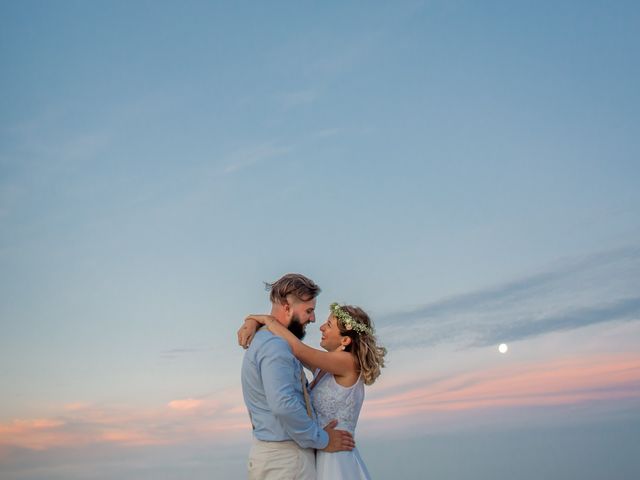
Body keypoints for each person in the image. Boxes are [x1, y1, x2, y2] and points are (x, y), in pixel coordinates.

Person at [240, 298, 386, 480]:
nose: (321, 327)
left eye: (329, 325)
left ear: (346, 340)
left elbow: (297, 349)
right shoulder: (325, 370)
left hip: (336, 455)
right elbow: (291, 351)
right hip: (321, 449)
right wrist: (252, 322)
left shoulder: (349, 363)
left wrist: (267, 320)